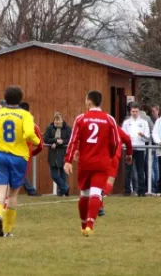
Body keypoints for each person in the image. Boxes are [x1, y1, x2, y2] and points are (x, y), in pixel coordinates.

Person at [64, 90, 121, 237]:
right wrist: (108, 154)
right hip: (102, 162)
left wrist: (68, 160)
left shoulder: (81, 119)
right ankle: (90, 225)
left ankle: (83, 226)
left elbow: (73, 141)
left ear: (89, 101)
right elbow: (115, 143)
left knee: (84, 194)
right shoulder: (109, 119)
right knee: (96, 193)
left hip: (85, 162)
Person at [0, 85, 40, 237]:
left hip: (1, 156)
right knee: (13, 195)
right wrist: (35, 141)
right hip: (18, 157)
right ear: (20, 98)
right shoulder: (25, 115)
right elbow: (29, 133)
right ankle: (8, 230)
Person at [121, 102, 150, 196]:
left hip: (140, 149)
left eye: (136, 111)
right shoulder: (126, 123)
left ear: (139, 112)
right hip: (129, 148)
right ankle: (127, 191)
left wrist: (143, 135)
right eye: (133, 111)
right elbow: (122, 135)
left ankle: (142, 191)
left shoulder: (144, 122)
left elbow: (148, 137)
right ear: (130, 111)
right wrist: (127, 137)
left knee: (141, 170)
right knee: (128, 170)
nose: (134, 113)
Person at [43, 112, 72, 196]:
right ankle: (65, 188)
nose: (57, 121)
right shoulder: (49, 128)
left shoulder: (67, 128)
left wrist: (61, 142)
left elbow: (69, 139)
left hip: (63, 154)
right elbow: (46, 139)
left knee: (63, 175)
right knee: (54, 175)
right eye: (56, 120)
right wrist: (55, 141)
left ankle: (63, 192)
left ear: (62, 120)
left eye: (59, 120)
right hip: (53, 155)